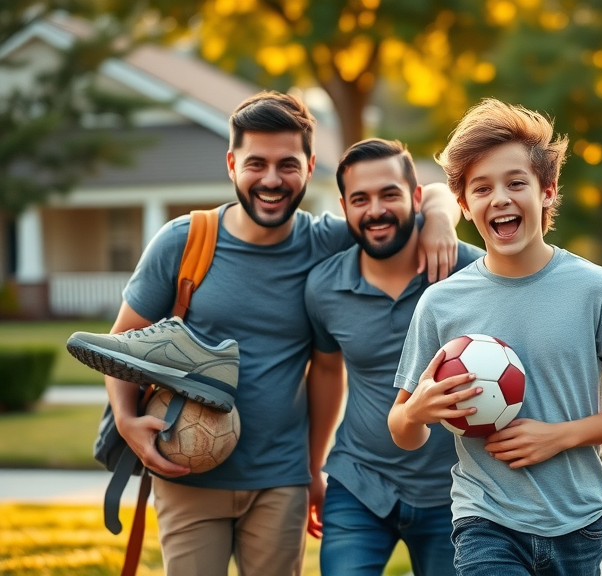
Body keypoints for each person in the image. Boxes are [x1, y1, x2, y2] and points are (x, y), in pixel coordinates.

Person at [101, 91, 461, 576]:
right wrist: (126, 419)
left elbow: (428, 193)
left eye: (287, 164)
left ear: (310, 167)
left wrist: (437, 218)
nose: (272, 179)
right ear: (231, 164)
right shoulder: (184, 242)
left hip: (282, 481)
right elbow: (122, 344)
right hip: (188, 472)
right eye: (257, 163)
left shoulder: (328, 242)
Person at [387, 98, 602, 576]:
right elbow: (402, 429)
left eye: (516, 182)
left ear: (548, 191)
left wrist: (560, 437)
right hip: (484, 518)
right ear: (463, 205)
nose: (500, 198)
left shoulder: (596, 289)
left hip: (576, 521)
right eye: (482, 188)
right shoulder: (441, 303)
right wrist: (416, 410)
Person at [304, 138, 484, 576]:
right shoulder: (324, 287)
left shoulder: (473, 274)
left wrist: (442, 217)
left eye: (389, 194)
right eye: (360, 199)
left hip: (458, 491)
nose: (376, 210)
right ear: (344, 206)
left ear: (416, 197)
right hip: (359, 482)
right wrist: (312, 468)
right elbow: (327, 373)